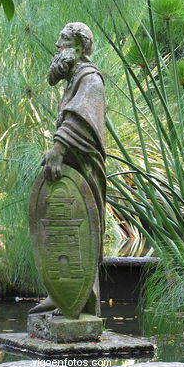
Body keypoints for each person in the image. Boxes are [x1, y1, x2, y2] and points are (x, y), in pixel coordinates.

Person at [29, 22, 106, 316]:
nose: (57, 46)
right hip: (68, 164)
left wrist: (59, 148)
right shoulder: (73, 79)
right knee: (60, 224)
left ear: (78, 45)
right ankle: (60, 293)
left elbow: (83, 121)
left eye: (63, 39)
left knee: (82, 227)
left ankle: (82, 297)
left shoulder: (91, 80)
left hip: (83, 165)